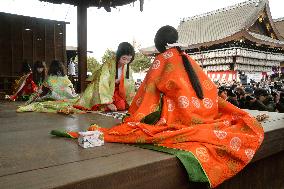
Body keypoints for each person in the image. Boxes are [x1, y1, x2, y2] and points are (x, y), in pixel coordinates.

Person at [51, 26, 264, 188]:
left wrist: (134, 115)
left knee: (146, 112)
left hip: (181, 115)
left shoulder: (162, 59)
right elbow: (208, 89)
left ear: (159, 44)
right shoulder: (187, 57)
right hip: (203, 112)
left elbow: (147, 93)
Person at [74, 42, 136, 111]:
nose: (126, 62)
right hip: (102, 89)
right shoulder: (108, 64)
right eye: (124, 58)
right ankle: (105, 103)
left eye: (129, 59)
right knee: (105, 108)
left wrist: (131, 101)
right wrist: (107, 103)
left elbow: (130, 86)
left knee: (121, 106)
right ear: (118, 55)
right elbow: (102, 82)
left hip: (116, 91)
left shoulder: (127, 68)